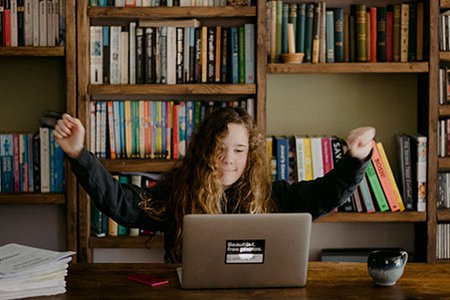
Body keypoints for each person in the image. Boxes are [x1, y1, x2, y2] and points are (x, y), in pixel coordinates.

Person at [54, 107, 375, 263]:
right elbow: (121, 203)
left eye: (238, 150)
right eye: (219, 149)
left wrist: (355, 159)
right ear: (204, 150)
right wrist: (80, 154)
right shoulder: (179, 193)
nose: (228, 159)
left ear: (250, 154)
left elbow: (323, 195)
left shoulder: (273, 195)